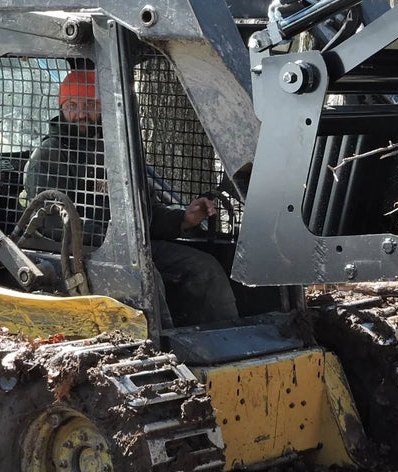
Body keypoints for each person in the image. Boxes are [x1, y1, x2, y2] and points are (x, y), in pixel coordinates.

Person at [24, 69, 239, 327]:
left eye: (90, 105)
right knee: (146, 278)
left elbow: (145, 213)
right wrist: (115, 236)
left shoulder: (119, 150)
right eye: (73, 105)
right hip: (82, 255)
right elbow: (52, 226)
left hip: (133, 248)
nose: (81, 113)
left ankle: (224, 341)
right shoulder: (48, 157)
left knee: (204, 268)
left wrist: (183, 219)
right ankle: (167, 349)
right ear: (61, 108)